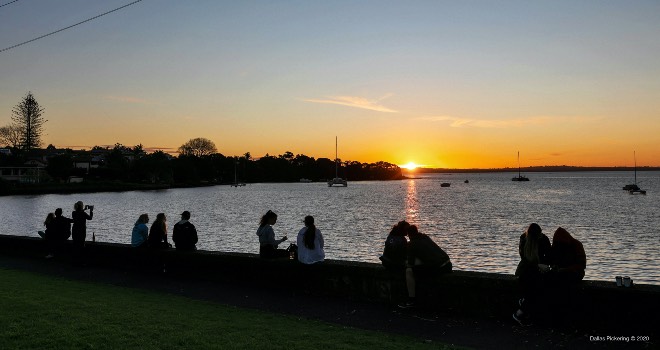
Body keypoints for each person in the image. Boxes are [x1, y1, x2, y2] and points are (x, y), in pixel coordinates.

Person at [398, 225, 452, 309]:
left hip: (439, 267)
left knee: (409, 271)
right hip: (447, 264)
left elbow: (410, 264)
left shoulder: (412, 244)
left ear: (408, 235)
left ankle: (411, 300)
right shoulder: (425, 237)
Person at [513, 223, 552, 326]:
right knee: (536, 290)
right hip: (531, 271)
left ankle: (524, 304)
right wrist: (540, 265)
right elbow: (548, 256)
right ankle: (520, 312)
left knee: (533, 290)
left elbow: (524, 258)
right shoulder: (541, 239)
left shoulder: (524, 239)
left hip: (526, 271)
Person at [71, 201, 93, 265]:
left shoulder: (73, 213)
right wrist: (91, 211)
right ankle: (81, 261)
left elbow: (79, 213)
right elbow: (90, 218)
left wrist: (84, 210)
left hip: (75, 230)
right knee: (81, 245)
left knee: (75, 245)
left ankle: (74, 261)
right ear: (81, 206)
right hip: (81, 230)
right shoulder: (83, 213)